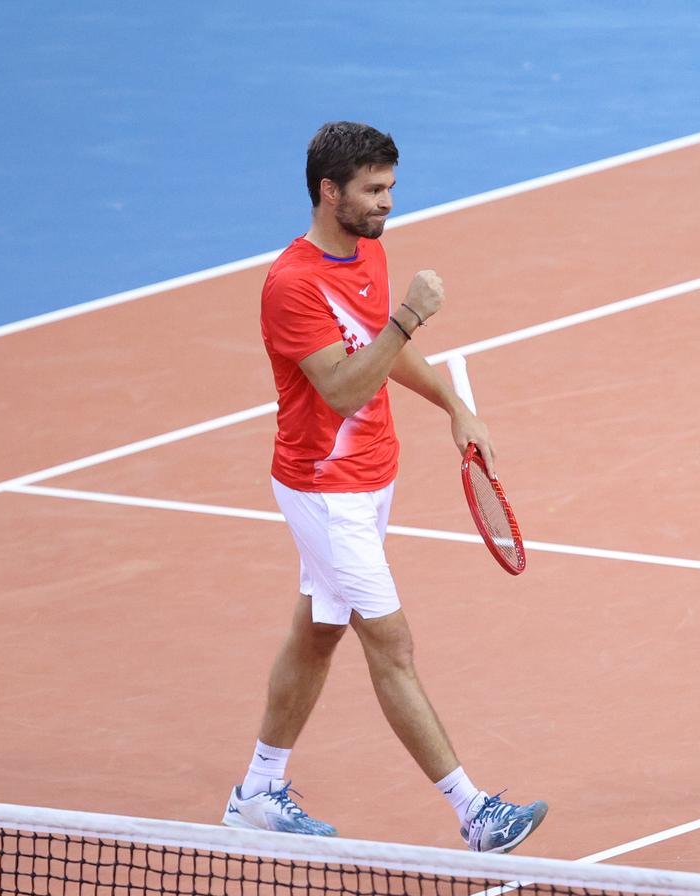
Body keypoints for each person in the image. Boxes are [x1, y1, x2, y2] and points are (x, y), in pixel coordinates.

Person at [220, 121, 547, 854]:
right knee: (390, 643)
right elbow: (341, 386)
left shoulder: (368, 251)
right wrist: (408, 315)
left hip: (372, 480)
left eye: (390, 187)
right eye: (372, 190)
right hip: (324, 488)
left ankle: (258, 792)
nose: (387, 203)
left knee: (319, 631)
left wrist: (454, 406)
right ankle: (475, 812)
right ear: (328, 191)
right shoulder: (292, 285)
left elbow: (382, 353)